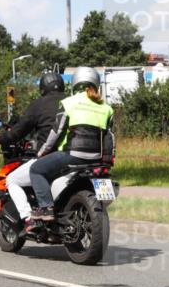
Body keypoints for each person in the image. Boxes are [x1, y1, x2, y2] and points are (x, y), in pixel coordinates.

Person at [28, 67, 114, 222]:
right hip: (97, 158)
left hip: (73, 155)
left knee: (36, 170)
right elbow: (109, 136)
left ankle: (46, 208)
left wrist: (42, 152)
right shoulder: (107, 108)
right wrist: (108, 160)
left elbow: (56, 131)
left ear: (74, 83)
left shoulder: (69, 103)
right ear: (97, 84)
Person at [0, 71, 67, 229]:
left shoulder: (39, 104)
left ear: (42, 88)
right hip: (74, 155)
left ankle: (28, 218)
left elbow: (19, 131)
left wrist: (1, 138)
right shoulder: (71, 101)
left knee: (12, 180)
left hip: (49, 156)